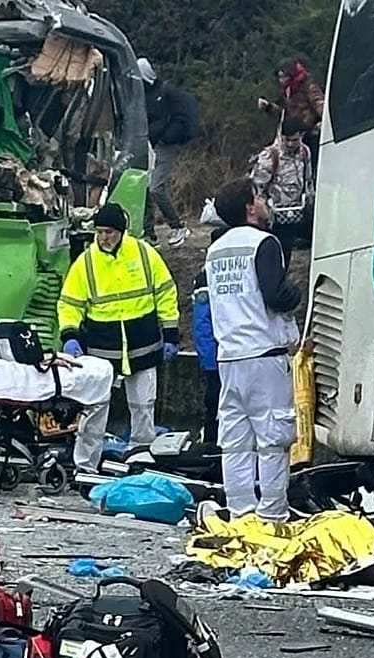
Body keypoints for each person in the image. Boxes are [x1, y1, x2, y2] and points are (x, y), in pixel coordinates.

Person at [203, 178, 303, 522]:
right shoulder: (264, 243)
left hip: (229, 356)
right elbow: (275, 295)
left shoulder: (215, 251)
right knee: (273, 438)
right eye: (259, 197)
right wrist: (297, 294)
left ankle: (241, 514)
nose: (263, 201)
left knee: (235, 439)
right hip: (263, 353)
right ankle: (273, 515)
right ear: (249, 207)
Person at [58, 202, 180, 474]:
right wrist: (69, 335)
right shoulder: (86, 262)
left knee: (143, 405)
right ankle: (85, 467)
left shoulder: (144, 254)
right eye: (100, 232)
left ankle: (141, 460)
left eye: (109, 232)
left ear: (122, 232)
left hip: (143, 346)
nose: (104, 238)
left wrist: (171, 333)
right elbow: (69, 304)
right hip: (102, 350)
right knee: (95, 409)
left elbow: (165, 292)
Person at [138, 57, 198, 248]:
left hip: (165, 145)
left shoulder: (165, 91)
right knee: (144, 188)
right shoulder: (139, 94)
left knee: (156, 187)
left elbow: (179, 117)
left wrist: (167, 136)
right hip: (149, 144)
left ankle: (178, 226)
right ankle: (149, 233)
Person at [249, 117, 315, 268]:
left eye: (294, 140)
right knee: (270, 255)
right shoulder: (270, 156)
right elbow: (257, 188)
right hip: (272, 216)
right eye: (287, 140)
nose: (291, 144)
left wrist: (308, 202)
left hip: (294, 213)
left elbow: (308, 180)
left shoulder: (305, 152)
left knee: (286, 253)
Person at [190, 224, 230, 449]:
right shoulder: (206, 278)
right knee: (214, 403)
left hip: (228, 353)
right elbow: (202, 323)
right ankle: (210, 445)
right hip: (218, 356)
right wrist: (210, 361)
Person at [257, 58, 325, 173]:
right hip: (295, 135)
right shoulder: (288, 90)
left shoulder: (308, 85)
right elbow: (285, 115)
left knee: (312, 167)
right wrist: (269, 107)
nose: (281, 80)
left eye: (284, 77)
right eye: (279, 77)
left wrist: (324, 123)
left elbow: (320, 104)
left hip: (310, 134)